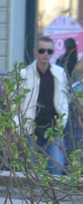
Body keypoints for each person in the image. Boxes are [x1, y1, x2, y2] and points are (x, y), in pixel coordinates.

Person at [18, 35, 69, 176]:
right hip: (30, 130)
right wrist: (18, 128)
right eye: (42, 50)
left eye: (49, 51)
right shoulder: (24, 74)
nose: (45, 54)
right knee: (32, 171)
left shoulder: (59, 74)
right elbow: (16, 104)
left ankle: (53, 198)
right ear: (35, 52)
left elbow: (64, 99)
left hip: (53, 129)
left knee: (56, 168)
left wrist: (62, 122)